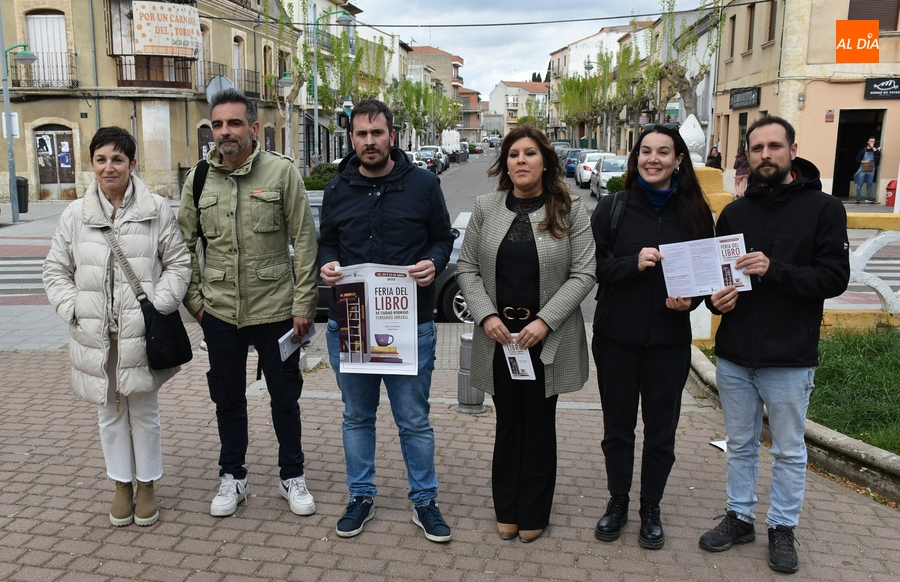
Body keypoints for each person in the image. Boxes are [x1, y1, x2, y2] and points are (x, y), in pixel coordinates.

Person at [698, 116, 849, 574]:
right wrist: (716, 300)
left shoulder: (823, 208)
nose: (765, 155)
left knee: (788, 449)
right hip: (735, 354)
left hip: (789, 356)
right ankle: (740, 517)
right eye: (757, 148)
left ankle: (782, 528)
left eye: (774, 147)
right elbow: (716, 279)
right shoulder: (735, 213)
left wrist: (774, 269)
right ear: (748, 153)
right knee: (740, 444)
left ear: (792, 150)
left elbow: (834, 278)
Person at [318, 98, 456, 543]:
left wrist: (434, 263)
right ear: (352, 138)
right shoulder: (338, 188)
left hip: (409, 324)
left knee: (414, 418)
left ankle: (425, 501)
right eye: (361, 134)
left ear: (392, 136)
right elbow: (327, 244)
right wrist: (328, 265)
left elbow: (441, 237)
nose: (369, 141)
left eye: (377, 133)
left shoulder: (424, 184)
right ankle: (360, 495)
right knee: (357, 416)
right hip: (353, 324)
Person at [177, 89, 319, 518]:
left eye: (234, 123)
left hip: (276, 308)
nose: (225, 132)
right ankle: (232, 477)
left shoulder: (281, 173)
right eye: (218, 124)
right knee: (227, 399)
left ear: (253, 129)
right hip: (219, 311)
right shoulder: (199, 178)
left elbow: (305, 242)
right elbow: (181, 247)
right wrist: (197, 305)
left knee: (284, 398)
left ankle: (291, 475)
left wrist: (304, 304)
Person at [43, 127, 191, 527]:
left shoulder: (156, 209)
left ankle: (147, 484)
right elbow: (55, 270)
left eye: (118, 159)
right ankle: (121, 484)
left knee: (144, 410)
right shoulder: (75, 214)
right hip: (96, 335)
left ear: (132, 164)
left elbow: (178, 263)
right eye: (101, 159)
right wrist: (74, 308)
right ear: (92, 163)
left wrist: (159, 306)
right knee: (108, 413)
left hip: (142, 332)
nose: (109, 167)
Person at [456, 125, 596, 543]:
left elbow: (584, 272)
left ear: (546, 161)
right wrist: (485, 316)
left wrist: (544, 321)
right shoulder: (486, 207)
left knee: (538, 424)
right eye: (513, 153)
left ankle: (534, 511)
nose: (521, 160)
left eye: (530, 153)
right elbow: (467, 268)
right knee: (508, 423)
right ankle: (507, 507)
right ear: (505, 163)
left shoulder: (569, 208)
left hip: (544, 338)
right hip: (499, 337)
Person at [591, 123, 715, 550]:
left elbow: (704, 276)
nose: (654, 159)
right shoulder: (613, 208)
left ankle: (651, 507)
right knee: (617, 429)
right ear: (636, 157)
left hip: (668, 342)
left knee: (661, 431)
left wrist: (692, 302)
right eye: (646, 151)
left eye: (664, 152)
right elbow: (593, 269)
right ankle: (618, 502)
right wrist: (633, 262)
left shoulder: (697, 212)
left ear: (679, 160)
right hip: (615, 339)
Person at [854, 136, 880, 203]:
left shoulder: (875, 150)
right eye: (871, 141)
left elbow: (878, 154)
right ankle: (858, 197)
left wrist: (873, 147)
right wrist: (865, 162)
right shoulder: (862, 151)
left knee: (869, 184)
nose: (872, 142)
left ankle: (868, 197)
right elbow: (857, 160)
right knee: (860, 184)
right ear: (868, 142)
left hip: (871, 169)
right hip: (863, 169)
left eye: (873, 141)